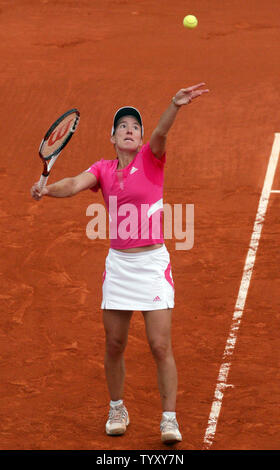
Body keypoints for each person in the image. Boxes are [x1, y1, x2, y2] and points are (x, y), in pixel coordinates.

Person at [31, 83, 209, 444]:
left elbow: (161, 132)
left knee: (160, 346)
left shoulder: (151, 158)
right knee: (114, 343)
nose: (130, 130)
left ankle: (169, 418)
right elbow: (75, 183)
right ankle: (117, 407)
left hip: (152, 264)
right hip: (120, 267)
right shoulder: (103, 170)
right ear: (112, 137)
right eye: (123, 126)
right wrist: (47, 189)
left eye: (135, 127)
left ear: (141, 138)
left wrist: (174, 105)